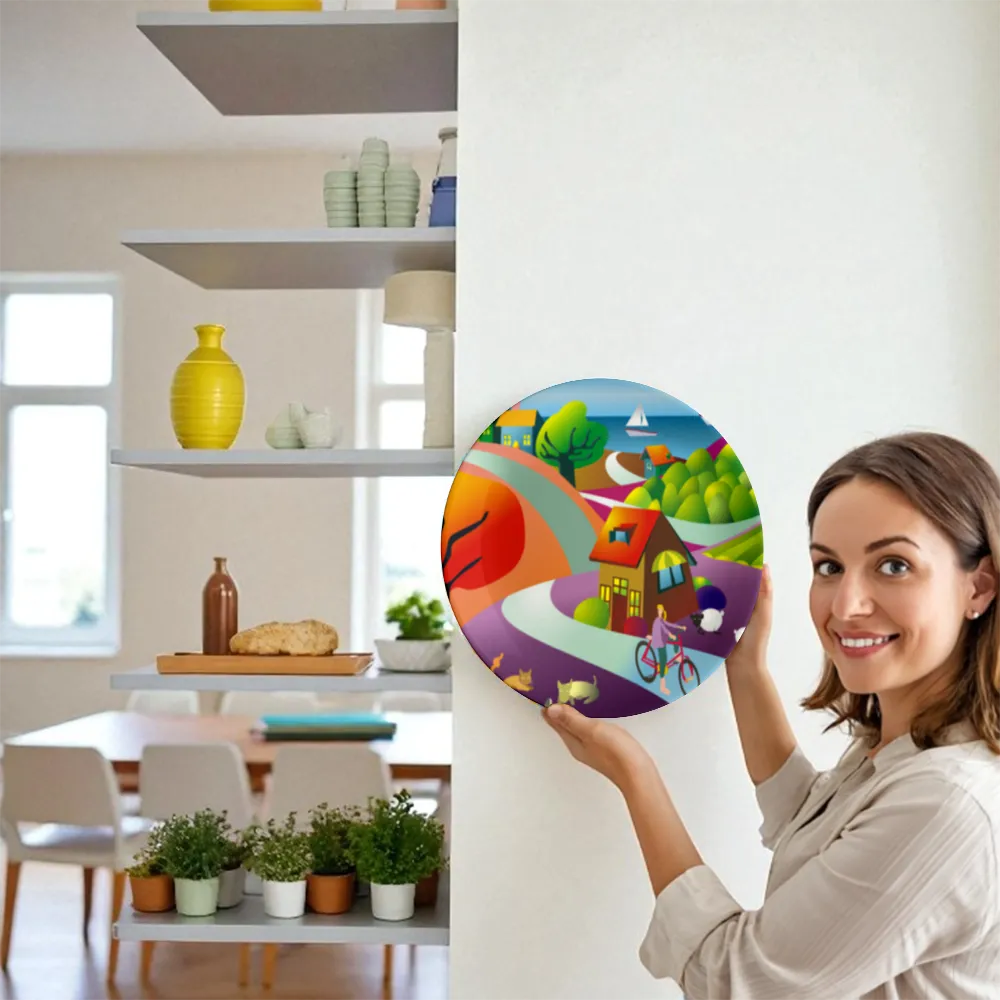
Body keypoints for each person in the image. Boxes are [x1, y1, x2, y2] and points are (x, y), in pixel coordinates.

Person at [543, 432, 1000, 998]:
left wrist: (635, 777)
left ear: (978, 587)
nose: (845, 605)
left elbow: (738, 979)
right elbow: (811, 823)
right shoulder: (907, 744)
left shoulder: (948, 806)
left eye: (893, 565)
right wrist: (746, 667)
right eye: (828, 566)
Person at [648, 604, 686, 697]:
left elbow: (669, 624)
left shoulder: (662, 620)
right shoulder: (657, 621)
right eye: (658, 610)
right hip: (659, 642)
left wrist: (680, 627)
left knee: (676, 638)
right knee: (663, 661)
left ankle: (676, 656)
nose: (659, 611)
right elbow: (664, 629)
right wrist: (669, 634)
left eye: (660, 610)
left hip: (663, 639)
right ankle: (662, 687)